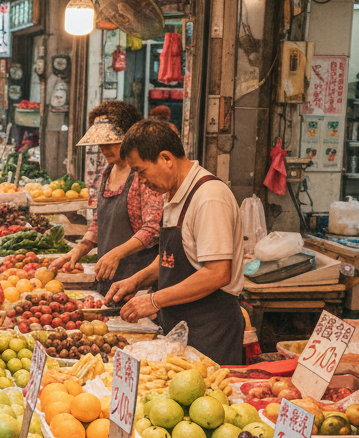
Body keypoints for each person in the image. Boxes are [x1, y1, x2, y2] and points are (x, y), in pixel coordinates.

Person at [104, 119, 245, 365]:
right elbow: (171, 256)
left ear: (166, 158)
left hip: (209, 329)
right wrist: (136, 280)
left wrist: (153, 300)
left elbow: (218, 273)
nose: (140, 181)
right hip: (181, 325)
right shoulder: (175, 193)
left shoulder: (209, 198)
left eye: (141, 171)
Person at [50, 101, 163, 296]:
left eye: (111, 142)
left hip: (138, 284)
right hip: (107, 278)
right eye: (101, 142)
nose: (104, 148)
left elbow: (153, 229)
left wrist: (117, 253)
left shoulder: (143, 175)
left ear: (130, 136)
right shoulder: (107, 172)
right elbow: (99, 223)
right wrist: (79, 250)